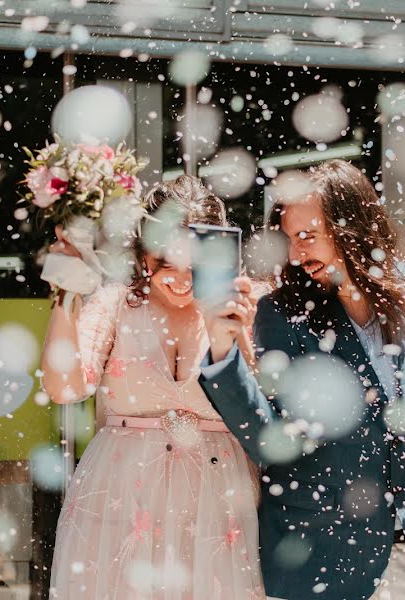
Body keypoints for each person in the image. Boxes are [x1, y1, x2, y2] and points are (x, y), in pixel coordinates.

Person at [197, 159, 405, 600]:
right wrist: (223, 355)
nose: (295, 254)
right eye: (289, 239)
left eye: (307, 236)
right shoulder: (285, 314)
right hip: (318, 558)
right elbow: (267, 439)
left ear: (350, 225)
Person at [44, 177, 264, 599]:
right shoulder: (115, 305)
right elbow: (64, 389)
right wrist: (65, 296)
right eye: (166, 262)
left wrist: (244, 333)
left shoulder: (243, 305)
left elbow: (267, 406)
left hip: (218, 502)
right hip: (123, 495)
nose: (181, 280)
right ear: (145, 254)